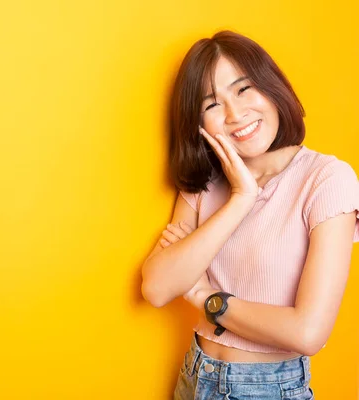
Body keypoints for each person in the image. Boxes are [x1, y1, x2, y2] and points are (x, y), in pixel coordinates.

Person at [141, 30, 359, 399]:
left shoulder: (327, 179)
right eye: (211, 104)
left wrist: (205, 297)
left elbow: (308, 332)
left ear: (272, 88)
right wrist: (241, 198)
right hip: (194, 378)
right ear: (198, 123)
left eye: (243, 89)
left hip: (269, 388)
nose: (234, 114)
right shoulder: (206, 182)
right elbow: (158, 289)